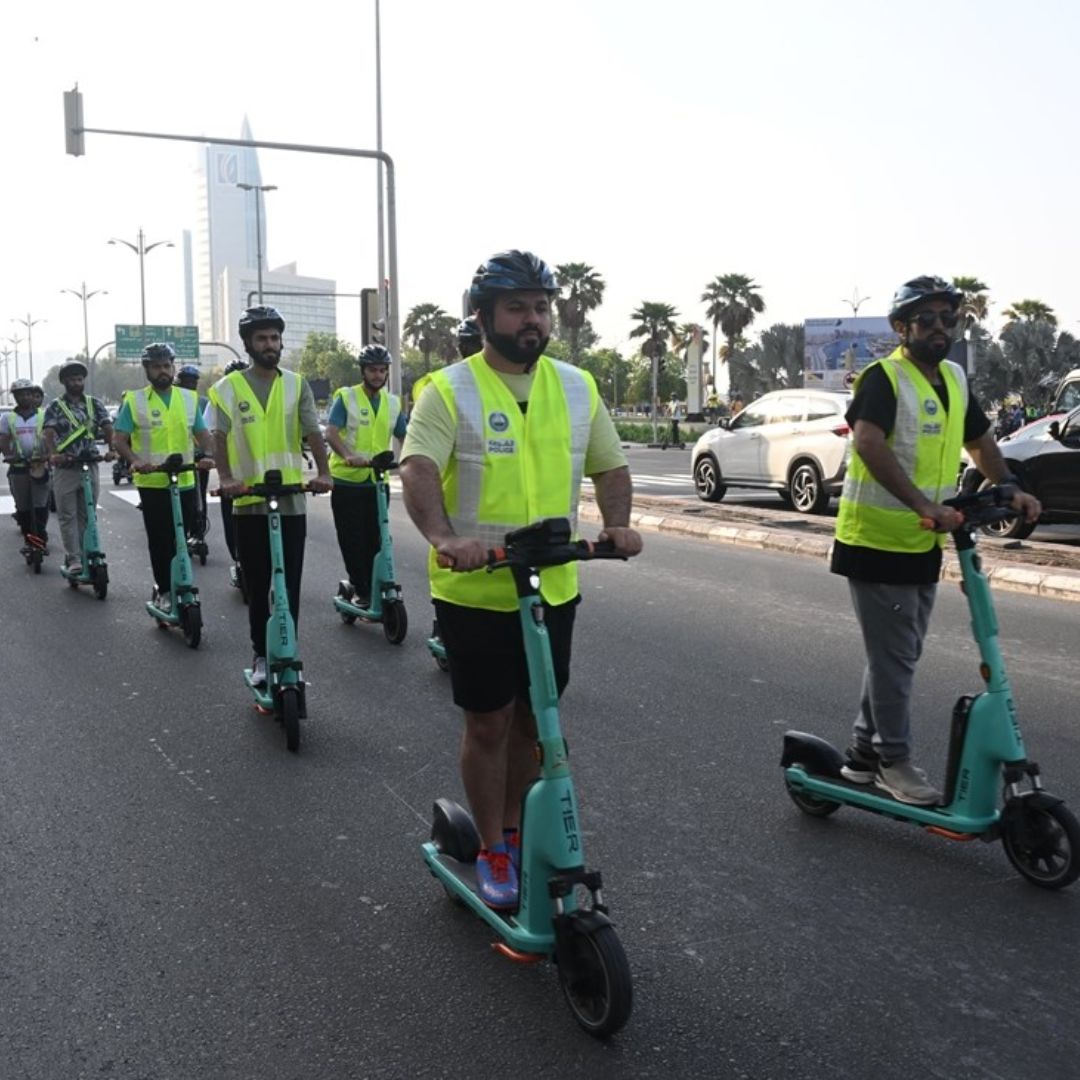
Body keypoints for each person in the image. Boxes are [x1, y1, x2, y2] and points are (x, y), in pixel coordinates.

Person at [400, 250, 643, 910]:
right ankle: (495, 846)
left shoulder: (576, 385)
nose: (533, 319)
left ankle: (513, 824)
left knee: (537, 726)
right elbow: (418, 468)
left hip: (553, 584)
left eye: (541, 306)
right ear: (482, 316)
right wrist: (447, 539)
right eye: (517, 306)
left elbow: (610, 466)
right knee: (488, 722)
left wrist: (618, 525)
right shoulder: (448, 389)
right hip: (476, 589)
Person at [832, 275, 1040, 805]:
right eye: (927, 320)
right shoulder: (885, 378)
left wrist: (1008, 485)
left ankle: (862, 755)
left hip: (924, 540)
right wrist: (922, 504)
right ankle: (891, 762)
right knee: (896, 656)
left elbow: (981, 441)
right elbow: (868, 443)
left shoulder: (952, 377)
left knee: (895, 654)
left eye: (951, 318)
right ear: (902, 327)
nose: (941, 328)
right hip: (877, 539)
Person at [206, 306, 333, 684]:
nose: (269, 345)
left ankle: (288, 648)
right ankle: (262, 656)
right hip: (248, 500)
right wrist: (226, 477)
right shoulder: (228, 388)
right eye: (261, 338)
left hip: (291, 497)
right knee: (258, 584)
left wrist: (323, 473)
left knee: (289, 582)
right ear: (248, 344)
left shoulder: (297, 384)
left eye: (274, 338)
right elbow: (219, 436)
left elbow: (313, 431)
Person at [112, 343, 215, 609]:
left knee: (184, 536)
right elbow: (119, 440)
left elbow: (203, 434)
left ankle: (182, 581)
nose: (163, 371)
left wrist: (208, 454)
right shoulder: (134, 401)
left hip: (185, 479)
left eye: (167, 366)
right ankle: (164, 590)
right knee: (161, 539)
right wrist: (135, 461)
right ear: (147, 369)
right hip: (153, 481)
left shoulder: (188, 398)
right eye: (157, 366)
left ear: (173, 367)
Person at [325, 344, 407, 605]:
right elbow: (331, 432)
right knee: (353, 539)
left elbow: (406, 435)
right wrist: (348, 455)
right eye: (373, 370)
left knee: (379, 538)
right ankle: (361, 587)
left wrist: (409, 460)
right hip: (348, 481)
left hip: (377, 482)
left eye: (383, 370)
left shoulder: (393, 404)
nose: (378, 375)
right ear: (363, 371)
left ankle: (378, 583)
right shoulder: (347, 397)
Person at [42, 360, 114, 574]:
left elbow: (108, 426)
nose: (76, 382)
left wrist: (112, 450)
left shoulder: (94, 404)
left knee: (88, 514)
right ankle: (73, 558)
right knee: (67, 515)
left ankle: (87, 552)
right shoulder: (56, 406)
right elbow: (48, 432)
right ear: (64, 382)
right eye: (72, 379)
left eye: (79, 379)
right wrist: (54, 454)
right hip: (66, 467)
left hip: (90, 463)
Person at [0, 378, 51, 552]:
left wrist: (50, 454)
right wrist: (8, 455)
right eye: (20, 395)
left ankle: (40, 537)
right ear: (15, 397)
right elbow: (4, 439)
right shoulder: (8, 418)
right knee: (22, 506)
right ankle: (28, 537)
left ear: (33, 395)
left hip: (40, 465)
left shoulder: (44, 415)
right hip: (19, 466)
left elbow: (52, 437)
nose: (25, 398)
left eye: (28, 394)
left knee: (40, 504)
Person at [215, 358, 249, 567]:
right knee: (231, 520)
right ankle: (237, 558)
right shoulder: (218, 401)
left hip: (259, 475)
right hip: (231, 474)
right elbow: (212, 434)